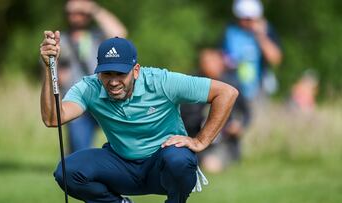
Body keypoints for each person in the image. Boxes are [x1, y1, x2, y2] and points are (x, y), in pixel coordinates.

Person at [40, 32, 238, 203]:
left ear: (135, 71)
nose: (114, 81)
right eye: (107, 74)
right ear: (98, 73)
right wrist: (51, 69)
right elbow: (53, 118)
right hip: (121, 165)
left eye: (120, 73)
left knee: (178, 159)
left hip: (162, 166)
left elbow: (226, 93)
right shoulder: (90, 87)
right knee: (67, 171)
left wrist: (201, 141)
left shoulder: (162, 81)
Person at [58, 0, 127, 152]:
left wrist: (94, 9)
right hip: (78, 101)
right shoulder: (60, 39)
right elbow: (49, 72)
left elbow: (120, 34)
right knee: (79, 151)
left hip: (106, 98)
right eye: (71, 13)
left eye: (80, 13)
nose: (75, 16)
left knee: (125, 149)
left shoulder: (98, 35)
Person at [181, 49, 250, 173]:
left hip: (225, 142)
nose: (210, 65)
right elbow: (185, 116)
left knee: (212, 165)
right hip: (197, 139)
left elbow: (246, 112)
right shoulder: (192, 84)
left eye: (213, 61)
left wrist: (239, 125)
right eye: (206, 62)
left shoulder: (232, 85)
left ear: (220, 63)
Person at [221, 0, 282, 102]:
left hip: (258, 89)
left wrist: (261, 36)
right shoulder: (230, 30)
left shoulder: (266, 31)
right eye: (243, 18)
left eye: (249, 19)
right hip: (232, 85)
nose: (246, 22)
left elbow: (275, 59)